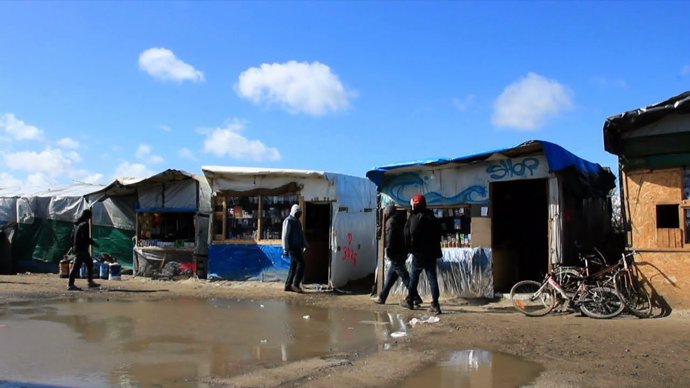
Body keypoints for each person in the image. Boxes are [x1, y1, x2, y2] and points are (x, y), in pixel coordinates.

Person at [401, 194, 443, 314]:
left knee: (414, 277)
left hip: (419, 254)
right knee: (432, 278)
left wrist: (409, 249)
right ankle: (435, 304)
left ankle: (410, 300)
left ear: (415, 205)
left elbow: (409, 235)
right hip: (431, 253)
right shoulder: (432, 217)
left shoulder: (414, 218)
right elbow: (438, 234)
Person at [374, 204, 421, 305]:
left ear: (388, 212)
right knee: (392, 275)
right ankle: (382, 297)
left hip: (395, 252)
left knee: (404, 275)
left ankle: (415, 296)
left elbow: (390, 238)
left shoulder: (390, 222)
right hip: (402, 251)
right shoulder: (403, 220)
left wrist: (388, 251)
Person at [67, 209, 100, 291]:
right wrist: (94, 243)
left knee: (89, 263)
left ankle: (89, 282)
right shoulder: (85, 225)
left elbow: (71, 237)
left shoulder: (77, 224)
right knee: (77, 266)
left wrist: (73, 246)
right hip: (81, 249)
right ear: (89, 217)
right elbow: (85, 237)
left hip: (77, 248)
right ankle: (71, 284)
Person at [282, 204, 308, 293]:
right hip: (292, 247)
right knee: (301, 264)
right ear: (293, 212)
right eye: (297, 213)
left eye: (299, 213)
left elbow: (301, 234)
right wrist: (285, 249)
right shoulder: (288, 221)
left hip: (298, 247)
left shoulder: (297, 222)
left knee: (293, 266)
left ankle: (288, 285)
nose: (298, 215)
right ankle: (296, 285)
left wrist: (305, 244)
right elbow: (285, 236)